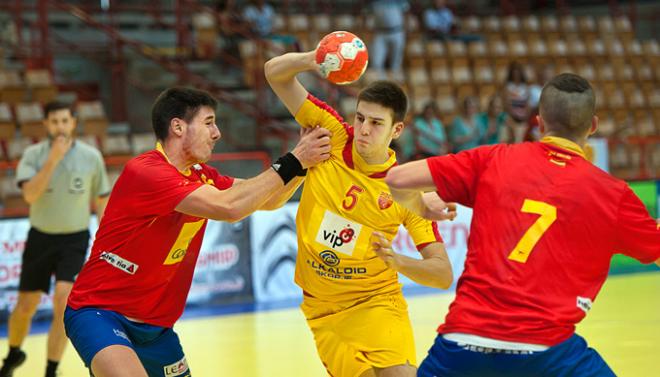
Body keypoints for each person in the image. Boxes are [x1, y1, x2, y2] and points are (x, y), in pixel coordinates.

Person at [380, 73, 660, 377]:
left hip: (462, 345)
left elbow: (396, 179)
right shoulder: (612, 195)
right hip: (548, 353)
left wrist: (422, 206)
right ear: (592, 125)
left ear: (539, 122)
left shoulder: (494, 159)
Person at [62, 87, 331, 377]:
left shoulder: (201, 175)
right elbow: (230, 207)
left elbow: (269, 199)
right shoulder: (147, 172)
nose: (217, 133)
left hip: (157, 330)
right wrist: (294, 159)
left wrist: (303, 166)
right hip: (99, 313)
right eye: (209, 122)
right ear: (177, 126)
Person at [265, 48, 454, 377]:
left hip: (378, 302)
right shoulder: (330, 135)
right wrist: (315, 58)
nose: (364, 129)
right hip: (323, 308)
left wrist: (398, 261)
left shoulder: (406, 189)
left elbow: (442, 274)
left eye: (376, 123)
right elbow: (274, 73)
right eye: (360, 117)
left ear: (396, 131)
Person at [0, 101, 110, 377]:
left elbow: (101, 198)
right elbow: (29, 196)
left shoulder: (91, 156)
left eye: (65, 121)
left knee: (64, 299)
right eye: (54, 121)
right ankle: (14, 352)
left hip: (75, 238)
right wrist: (53, 160)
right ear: (46, 125)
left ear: (73, 122)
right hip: (41, 238)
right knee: (26, 305)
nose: (60, 126)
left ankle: (51, 368)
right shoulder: (33, 155)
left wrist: (106, 237)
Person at [368, 0, 409, 81]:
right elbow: (367, 14)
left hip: (397, 31)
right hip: (380, 32)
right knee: (376, 61)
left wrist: (407, 29)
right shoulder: (373, 2)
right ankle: (380, 85)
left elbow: (406, 13)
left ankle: (394, 85)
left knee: (396, 62)